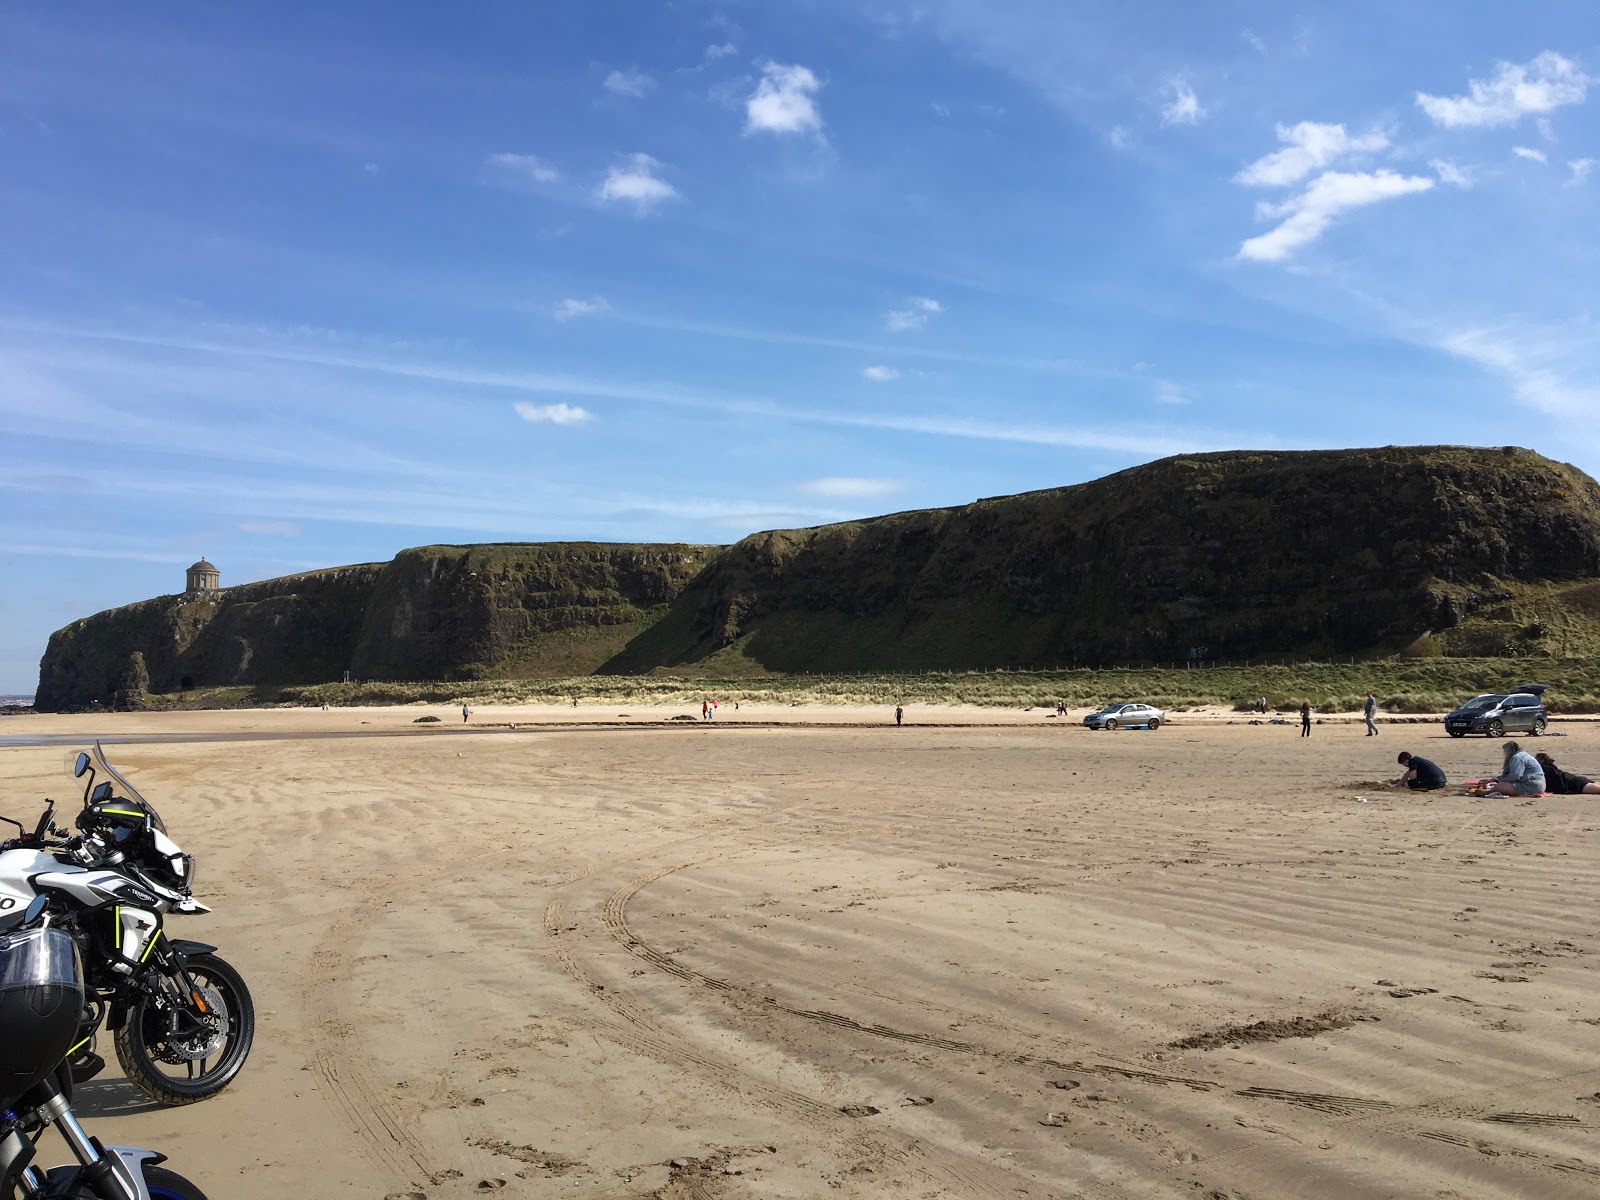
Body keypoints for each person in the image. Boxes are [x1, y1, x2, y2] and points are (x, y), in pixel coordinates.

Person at [1534, 752, 1600, 795]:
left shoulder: (1544, 768)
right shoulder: (1550, 767)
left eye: (1535, 759)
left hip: (1571, 783)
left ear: (1542, 760)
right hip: (1572, 780)